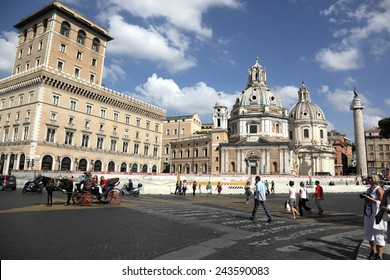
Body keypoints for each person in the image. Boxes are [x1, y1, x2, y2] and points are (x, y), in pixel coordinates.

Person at [362, 176, 385, 259]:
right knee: (369, 233)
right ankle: (373, 250)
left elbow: (382, 203)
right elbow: (366, 202)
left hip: (376, 214)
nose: (368, 179)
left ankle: (379, 256)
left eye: (370, 178)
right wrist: (364, 212)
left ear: (375, 180)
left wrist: (370, 199)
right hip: (368, 213)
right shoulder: (368, 190)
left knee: (378, 234)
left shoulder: (378, 190)